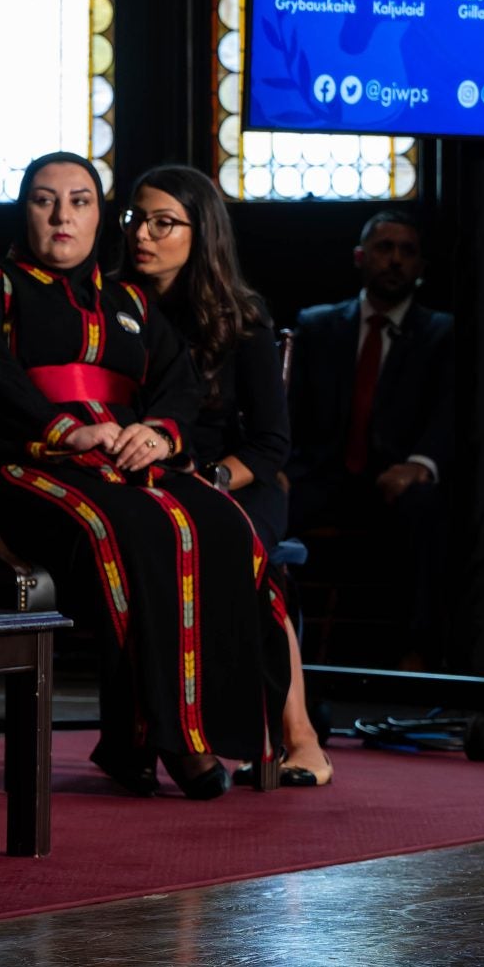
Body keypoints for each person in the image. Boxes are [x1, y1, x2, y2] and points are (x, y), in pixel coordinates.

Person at [0, 151, 277, 799]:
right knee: (123, 527)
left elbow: (177, 384)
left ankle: (204, 729)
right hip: (25, 464)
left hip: (122, 459)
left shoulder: (130, 300)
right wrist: (62, 427)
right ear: (23, 208)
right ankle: (162, 739)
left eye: (81, 200)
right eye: (44, 199)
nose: (63, 214)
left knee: (221, 521)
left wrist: (159, 432)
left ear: (99, 216)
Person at [121, 165, 329, 787]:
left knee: (244, 553)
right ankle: (163, 733)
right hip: (142, 481)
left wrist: (208, 480)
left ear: (199, 231)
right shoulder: (109, 306)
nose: (143, 235)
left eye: (164, 223)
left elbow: (270, 444)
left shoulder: (242, 318)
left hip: (230, 479)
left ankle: (302, 737)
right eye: (136, 218)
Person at [288, 210, 454, 666]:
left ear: (421, 266)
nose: (396, 260)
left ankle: (417, 652)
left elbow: (449, 414)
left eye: (408, 251)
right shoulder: (317, 326)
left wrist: (420, 463)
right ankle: (259, 648)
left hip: (393, 478)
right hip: (323, 475)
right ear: (361, 257)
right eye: (385, 248)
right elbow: (289, 412)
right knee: (263, 504)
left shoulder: (442, 333)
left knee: (427, 506)